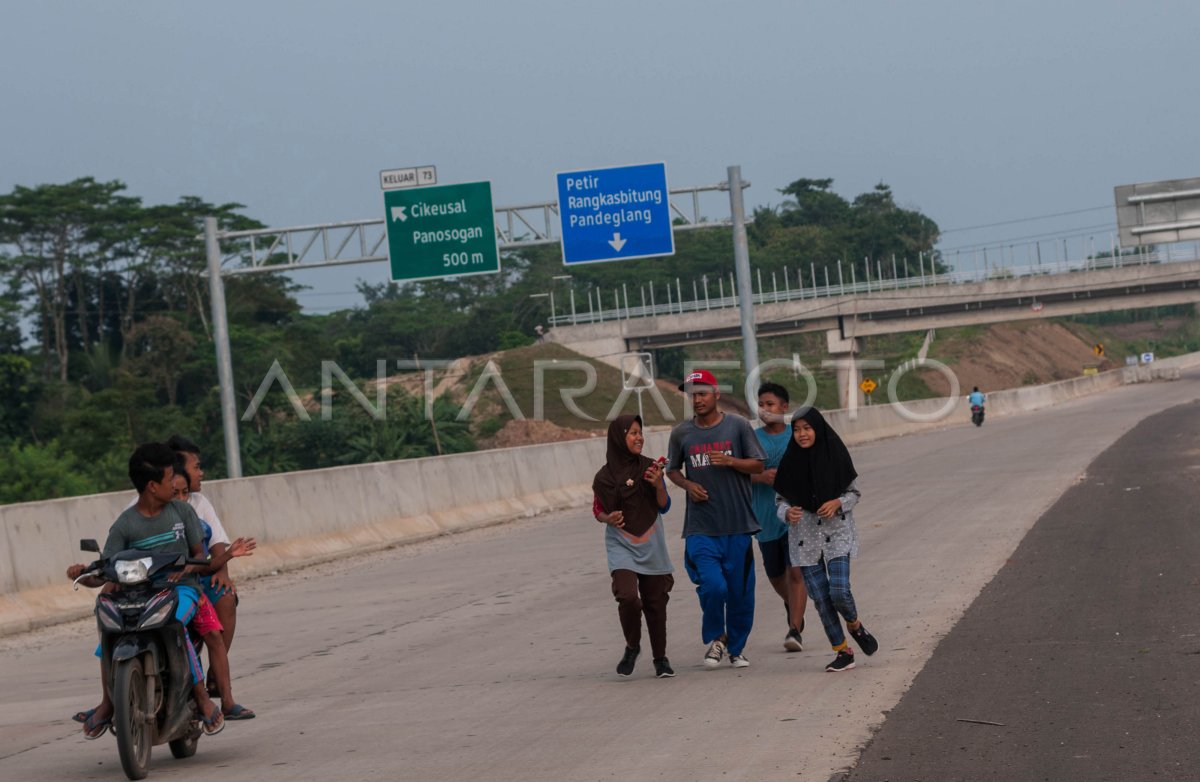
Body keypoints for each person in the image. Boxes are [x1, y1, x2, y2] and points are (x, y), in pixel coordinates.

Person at [66, 443, 224, 738]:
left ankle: (201, 698)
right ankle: (108, 702)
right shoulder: (125, 525)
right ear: (153, 486)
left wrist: (190, 567)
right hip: (136, 595)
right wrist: (83, 573)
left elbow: (200, 556)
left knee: (175, 624)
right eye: (168, 480)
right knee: (108, 633)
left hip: (182, 591)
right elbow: (105, 568)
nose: (175, 485)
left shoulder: (183, 513)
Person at [666, 369, 765, 669]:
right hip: (701, 527)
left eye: (702, 393)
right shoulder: (682, 433)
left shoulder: (737, 426)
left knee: (739, 594)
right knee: (712, 586)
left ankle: (734, 648)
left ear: (716, 394)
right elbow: (672, 469)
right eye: (692, 394)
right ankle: (717, 636)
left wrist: (731, 461)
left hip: (737, 525)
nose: (696, 399)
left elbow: (758, 465)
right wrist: (687, 485)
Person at [773, 407, 879, 673]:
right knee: (821, 598)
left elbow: (854, 494)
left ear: (818, 429)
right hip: (804, 540)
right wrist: (788, 512)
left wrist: (837, 503)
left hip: (837, 536)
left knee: (839, 591)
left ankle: (855, 625)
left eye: (807, 428)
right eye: (796, 430)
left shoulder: (836, 457)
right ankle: (842, 651)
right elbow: (780, 501)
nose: (801, 434)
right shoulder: (790, 462)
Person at [592, 414, 675, 678]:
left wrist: (658, 483)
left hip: (651, 540)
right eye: (633, 433)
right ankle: (632, 645)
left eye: (641, 432)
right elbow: (598, 510)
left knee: (656, 602)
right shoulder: (603, 477)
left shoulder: (651, 467)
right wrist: (609, 518)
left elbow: (665, 506)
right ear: (618, 438)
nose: (639, 437)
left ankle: (660, 659)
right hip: (621, 543)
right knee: (627, 597)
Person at [171, 467, 257, 720]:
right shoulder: (137, 517)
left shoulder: (192, 516)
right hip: (154, 591)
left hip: (189, 589)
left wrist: (227, 557)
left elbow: (203, 557)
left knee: (207, 632)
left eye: (183, 493)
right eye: (173, 492)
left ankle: (222, 698)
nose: (180, 498)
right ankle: (109, 703)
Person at [165, 435, 241, 687]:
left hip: (197, 577)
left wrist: (223, 571)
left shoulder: (199, 503)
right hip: (161, 580)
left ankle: (215, 678)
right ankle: (108, 701)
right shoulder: (143, 507)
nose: (201, 473)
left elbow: (216, 542)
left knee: (226, 597)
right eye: (195, 467)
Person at [750, 383, 808, 652]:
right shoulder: (751, 439)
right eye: (761, 404)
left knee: (796, 571)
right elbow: (738, 473)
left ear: (784, 407)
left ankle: (794, 628)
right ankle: (792, 603)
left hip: (795, 516)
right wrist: (760, 476)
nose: (765, 409)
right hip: (764, 517)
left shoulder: (796, 435)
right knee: (775, 574)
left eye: (770, 404)